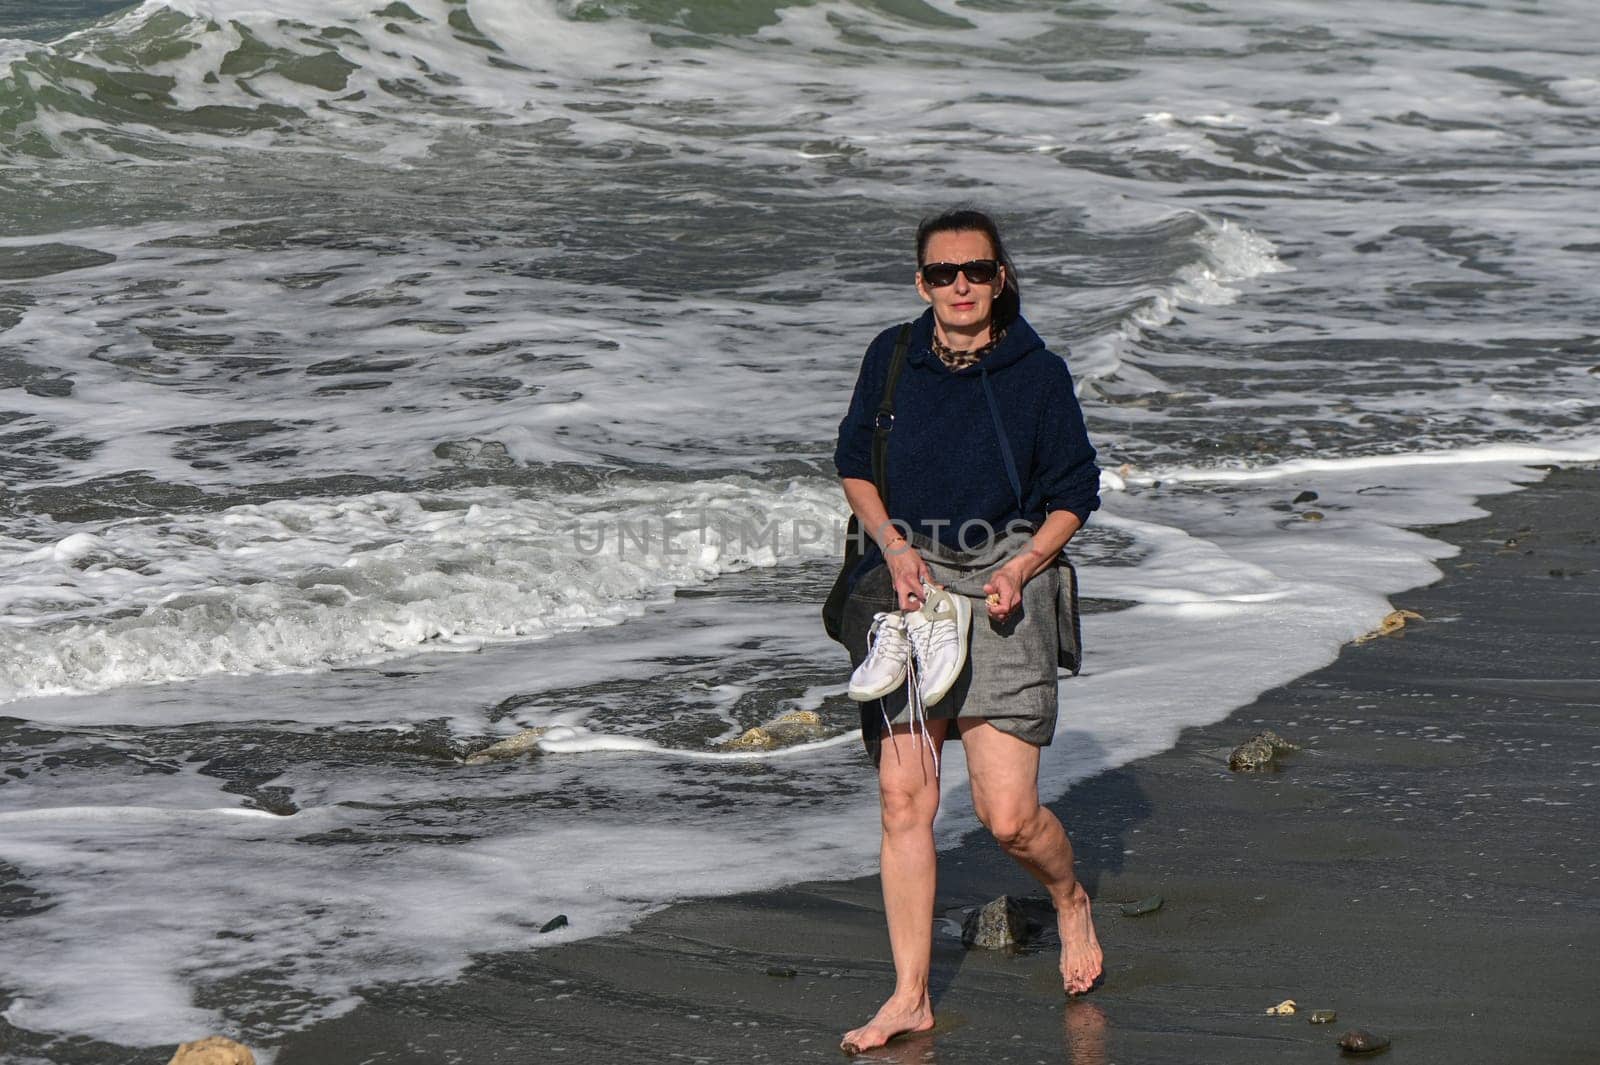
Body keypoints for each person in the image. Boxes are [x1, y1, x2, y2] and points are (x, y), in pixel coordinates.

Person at [832, 208, 1104, 1055]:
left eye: (976, 271)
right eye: (943, 272)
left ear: (1001, 278)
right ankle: (910, 995)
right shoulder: (891, 358)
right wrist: (892, 545)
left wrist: (1022, 568)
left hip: (1004, 580)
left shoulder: (1037, 373)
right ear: (922, 282)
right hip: (908, 581)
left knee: (1008, 816)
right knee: (904, 797)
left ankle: (1069, 900)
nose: (959, 286)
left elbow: (1074, 494)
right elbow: (853, 463)